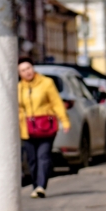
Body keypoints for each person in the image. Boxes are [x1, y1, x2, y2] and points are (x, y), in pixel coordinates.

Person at [18, 58, 70, 198]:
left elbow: (56, 103)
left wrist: (64, 121)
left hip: (45, 126)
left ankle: (41, 185)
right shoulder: (18, 88)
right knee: (32, 159)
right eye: (23, 70)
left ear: (33, 68)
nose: (27, 72)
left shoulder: (46, 83)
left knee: (43, 156)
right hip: (26, 128)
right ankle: (35, 185)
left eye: (28, 68)